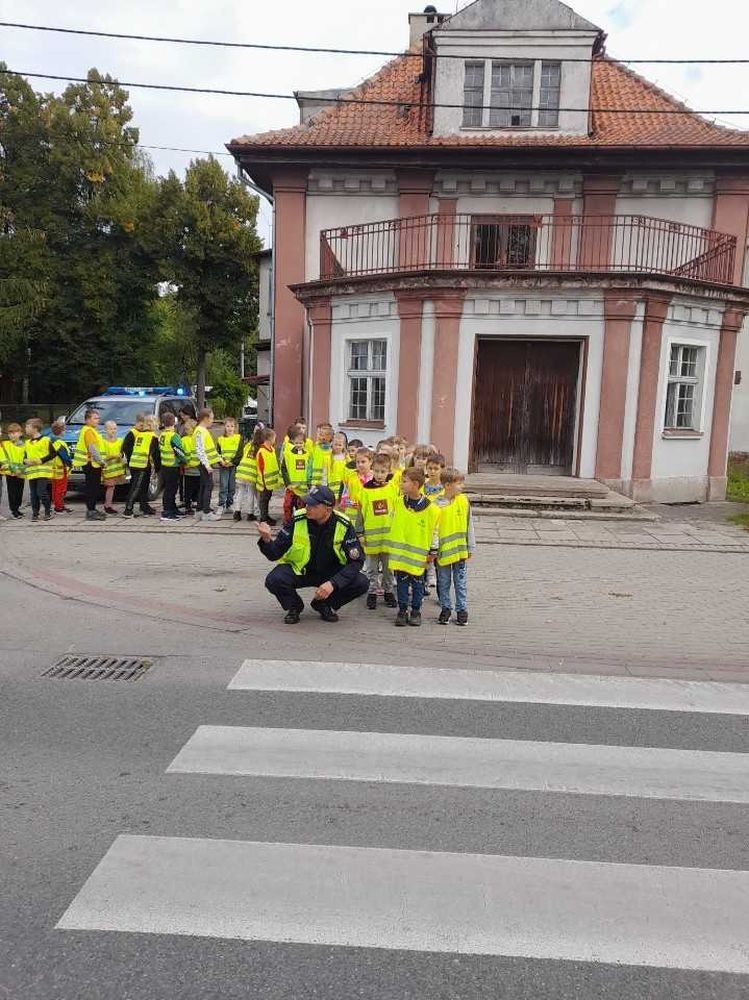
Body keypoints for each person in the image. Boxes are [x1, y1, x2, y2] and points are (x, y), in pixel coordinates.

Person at [258, 485, 368, 625]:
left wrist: (333, 584)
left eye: (313, 505)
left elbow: (356, 561)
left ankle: (323, 604)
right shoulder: (297, 519)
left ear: (327, 509)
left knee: (361, 582)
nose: (307, 507)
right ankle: (294, 607)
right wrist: (266, 540)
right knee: (274, 580)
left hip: (329, 572)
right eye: (307, 503)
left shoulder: (343, 524)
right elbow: (275, 553)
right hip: (301, 570)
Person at [384, 466, 441, 627]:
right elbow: (390, 523)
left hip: (419, 556)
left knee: (418, 584)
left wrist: (433, 551)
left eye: (404, 481)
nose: (401, 484)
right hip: (400, 555)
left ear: (415, 484)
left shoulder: (432, 510)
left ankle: (416, 611)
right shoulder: (397, 503)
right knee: (401, 583)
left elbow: (435, 531)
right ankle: (402, 610)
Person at [435, 468, 475, 627]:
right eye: (459, 483)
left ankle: (462, 610)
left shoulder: (464, 501)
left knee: (460, 582)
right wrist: (433, 550)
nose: (462, 486)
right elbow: (434, 530)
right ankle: (445, 608)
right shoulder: (436, 504)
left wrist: (470, 546)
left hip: (460, 552)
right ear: (447, 485)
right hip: (443, 552)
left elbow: (468, 525)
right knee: (443, 582)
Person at [358, 452, 397, 610]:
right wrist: (359, 533)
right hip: (371, 538)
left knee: (388, 569)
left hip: (388, 537)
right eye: (377, 471)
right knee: (372, 569)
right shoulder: (365, 491)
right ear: (372, 469)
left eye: (383, 471)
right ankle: (372, 593)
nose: (380, 475)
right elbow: (360, 514)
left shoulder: (393, 489)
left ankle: (388, 592)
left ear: (388, 471)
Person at [72, 409, 107, 521]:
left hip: (91, 463)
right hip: (91, 463)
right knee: (92, 488)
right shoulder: (89, 431)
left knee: (92, 487)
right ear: (87, 420)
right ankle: (91, 511)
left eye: (98, 418)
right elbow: (92, 448)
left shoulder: (90, 430)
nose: (98, 420)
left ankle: (92, 509)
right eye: (95, 418)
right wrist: (101, 461)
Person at [122, 414, 160, 518]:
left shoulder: (140, 434)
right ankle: (128, 510)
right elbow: (156, 454)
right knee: (137, 488)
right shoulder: (153, 436)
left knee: (142, 488)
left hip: (135, 464)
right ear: (153, 424)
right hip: (142, 465)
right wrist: (158, 468)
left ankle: (144, 506)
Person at [23, 419, 56, 521]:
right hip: (32, 472)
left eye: (27, 427)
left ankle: (48, 510)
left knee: (41, 491)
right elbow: (24, 457)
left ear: (35, 428)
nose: (26, 429)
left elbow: (53, 454)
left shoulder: (46, 440)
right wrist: (25, 461)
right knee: (33, 494)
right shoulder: (27, 442)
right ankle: (35, 513)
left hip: (42, 471)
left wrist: (41, 460)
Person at [158, 412, 187, 522]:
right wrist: (185, 461)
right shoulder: (174, 436)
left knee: (169, 489)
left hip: (165, 464)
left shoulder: (162, 435)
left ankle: (173, 508)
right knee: (171, 489)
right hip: (173, 465)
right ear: (174, 422)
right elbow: (179, 451)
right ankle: (167, 512)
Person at [193, 408, 221, 522]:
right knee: (208, 486)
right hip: (204, 463)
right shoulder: (200, 431)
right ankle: (206, 513)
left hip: (205, 463)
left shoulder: (202, 430)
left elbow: (209, 449)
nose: (212, 421)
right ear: (205, 418)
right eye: (212, 418)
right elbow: (200, 450)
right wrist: (207, 465)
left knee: (204, 486)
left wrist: (219, 459)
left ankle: (200, 510)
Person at [233, 425, 263, 522]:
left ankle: (237, 512)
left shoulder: (248, 445)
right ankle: (250, 513)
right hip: (250, 473)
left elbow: (243, 455)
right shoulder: (260, 448)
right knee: (250, 493)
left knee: (240, 492)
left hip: (241, 471)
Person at [281, 425, 309, 522]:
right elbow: (284, 469)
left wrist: (308, 484)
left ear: (304, 443)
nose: (298, 445)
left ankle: (299, 523)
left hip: (302, 488)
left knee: (301, 508)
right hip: (291, 487)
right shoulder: (288, 454)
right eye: (296, 443)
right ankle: (288, 522)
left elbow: (309, 471)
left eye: (301, 443)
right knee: (287, 505)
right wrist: (287, 483)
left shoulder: (307, 455)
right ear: (293, 442)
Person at [256, 426, 282, 525]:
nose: (275, 440)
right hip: (264, 483)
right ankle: (264, 519)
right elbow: (261, 468)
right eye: (274, 438)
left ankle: (266, 516)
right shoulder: (262, 451)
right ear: (269, 439)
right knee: (263, 501)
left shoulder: (271, 449)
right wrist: (263, 482)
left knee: (267, 500)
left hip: (270, 483)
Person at [100, 421, 127, 515]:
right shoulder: (103, 442)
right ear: (106, 430)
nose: (113, 431)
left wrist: (122, 455)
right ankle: (108, 506)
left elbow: (124, 453)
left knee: (112, 487)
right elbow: (103, 457)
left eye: (115, 428)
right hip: (108, 470)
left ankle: (109, 505)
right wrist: (114, 456)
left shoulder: (120, 441)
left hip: (117, 470)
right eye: (110, 429)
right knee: (110, 487)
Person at [217, 417, 242, 514]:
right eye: (227, 426)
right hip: (223, 465)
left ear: (235, 427)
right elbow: (218, 452)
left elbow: (240, 453)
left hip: (233, 465)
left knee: (232, 486)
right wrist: (221, 462)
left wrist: (233, 462)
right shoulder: (220, 439)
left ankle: (229, 503)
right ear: (224, 427)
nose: (230, 428)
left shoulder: (238, 438)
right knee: (223, 485)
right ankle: (221, 504)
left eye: (232, 426)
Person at [1, 423, 26, 518]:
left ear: (20, 433)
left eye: (15, 432)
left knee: (20, 490)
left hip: (21, 471)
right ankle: (14, 510)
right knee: (12, 491)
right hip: (10, 472)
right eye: (10, 433)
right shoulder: (5, 444)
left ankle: (17, 508)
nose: (13, 435)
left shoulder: (24, 445)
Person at [48, 420, 73, 514]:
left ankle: (58, 505)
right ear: (62, 431)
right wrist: (70, 464)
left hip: (54, 469)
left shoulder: (51, 441)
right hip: (61, 469)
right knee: (61, 489)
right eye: (64, 430)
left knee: (55, 488)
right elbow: (65, 456)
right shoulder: (60, 443)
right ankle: (59, 507)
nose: (65, 431)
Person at [339, 445, 372, 515]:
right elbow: (343, 500)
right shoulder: (350, 478)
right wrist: (353, 504)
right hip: (352, 517)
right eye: (358, 462)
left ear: (370, 462)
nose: (360, 464)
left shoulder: (374, 478)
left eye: (363, 462)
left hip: (368, 517)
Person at [180, 417, 201, 515]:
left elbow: (185, 454)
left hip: (189, 468)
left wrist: (186, 464)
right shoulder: (196, 438)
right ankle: (192, 503)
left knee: (189, 488)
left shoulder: (185, 439)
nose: (185, 430)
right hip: (195, 468)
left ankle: (189, 505)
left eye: (187, 429)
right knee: (194, 488)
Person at [309, 422, 333, 486]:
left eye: (322, 435)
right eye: (319, 434)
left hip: (328, 483)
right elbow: (310, 464)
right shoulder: (314, 449)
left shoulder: (333, 451)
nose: (320, 437)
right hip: (315, 483)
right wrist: (309, 479)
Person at [327, 431, 348, 501]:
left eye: (340, 445)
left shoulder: (346, 457)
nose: (337, 447)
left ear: (343, 446)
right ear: (332, 444)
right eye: (335, 444)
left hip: (343, 487)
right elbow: (324, 472)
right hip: (330, 487)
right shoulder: (328, 457)